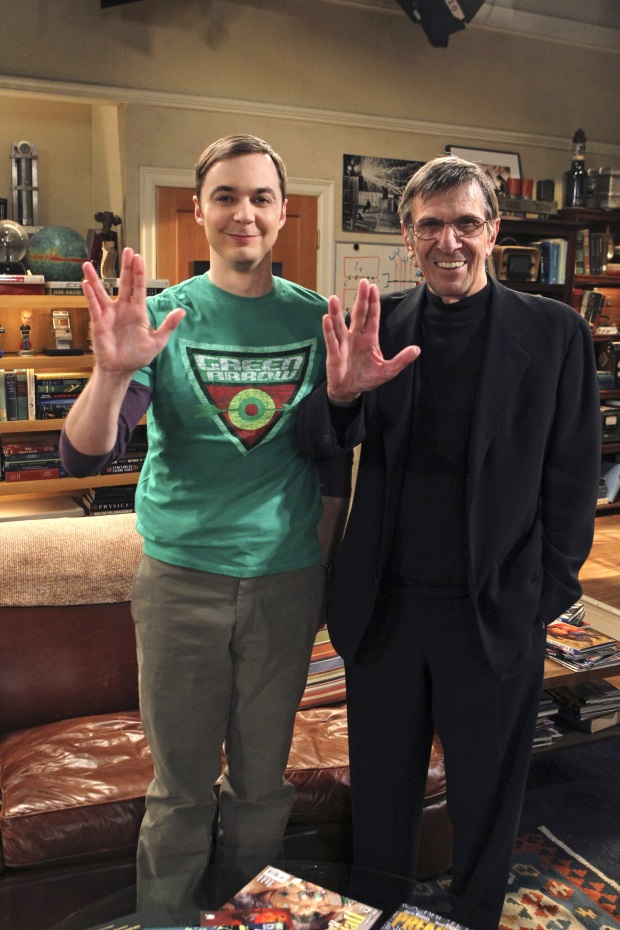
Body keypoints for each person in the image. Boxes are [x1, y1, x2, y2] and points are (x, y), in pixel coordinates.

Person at [295, 155, 600, 930]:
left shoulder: (556, 333)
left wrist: (543, 593)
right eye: (430, 225)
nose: (449, 241)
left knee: (486, 796)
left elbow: (574, 478)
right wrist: (340, 396)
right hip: (384, 608)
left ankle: (473, 915)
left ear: (493, 231)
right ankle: (376, 910)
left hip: (493, 609)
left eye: (466, 223)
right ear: (407, 235)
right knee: (382, 791)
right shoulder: (376, 325)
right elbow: (316, 443)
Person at [60, 134, 350, 923]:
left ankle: (247, 916)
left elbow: (332, 465)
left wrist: (320, 573)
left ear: (283, 213)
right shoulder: (161, 318)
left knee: (261, 786)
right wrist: (112, 371)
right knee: (180, 789)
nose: (243, 213)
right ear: (200, 210)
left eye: (261, 197)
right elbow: (84, 454)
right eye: (226, 196)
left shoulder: (316, 321)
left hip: (285, 583)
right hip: (180, 584)